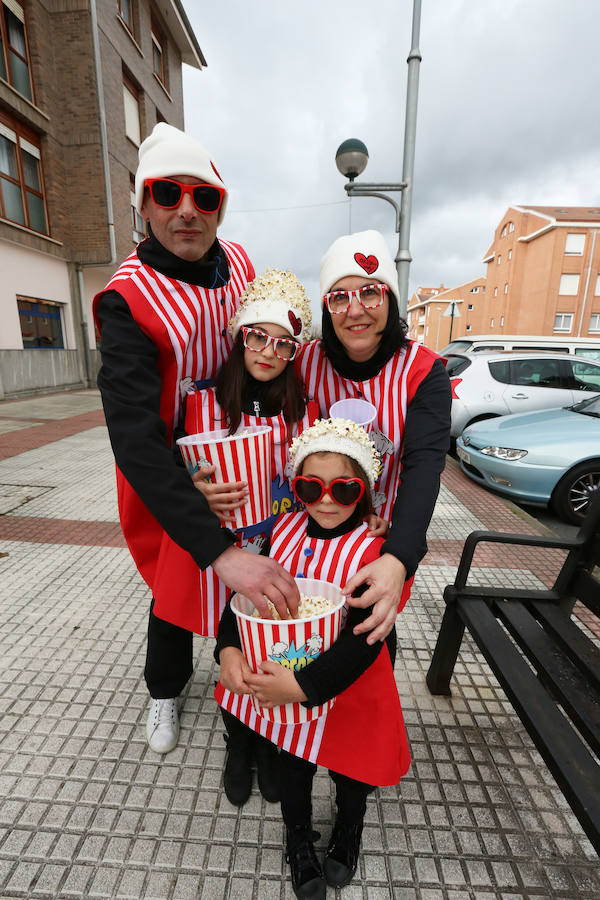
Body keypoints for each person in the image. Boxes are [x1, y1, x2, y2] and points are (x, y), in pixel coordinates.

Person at [92, 123, 300, 756]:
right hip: (181, 475)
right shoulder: (126, 299)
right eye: (166, 193)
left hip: (250, 454)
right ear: (143, 204)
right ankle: (165, 688)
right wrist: (200, 520)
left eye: (203, 196)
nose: (186, 209)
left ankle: (253, 683)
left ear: (220, 205)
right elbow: (133, 438)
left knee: (259, 566)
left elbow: (279, 339)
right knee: (176, 586)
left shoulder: (239, 262)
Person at [214, 419, 411, 899]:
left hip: (349, 683)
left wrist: (303, 690)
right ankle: (297, 838)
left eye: (344, 489)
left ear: (363, 490)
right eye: (310, 486)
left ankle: (349, 830)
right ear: (295, 486)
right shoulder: (279, 533)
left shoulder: (376, 552)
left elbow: (367, 639)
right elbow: (240, 599)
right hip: (285, 673)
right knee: (294, 769)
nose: (326, 500)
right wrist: (228, 647)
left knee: (351, 770)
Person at [151, 268, 320, 803]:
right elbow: (164, 466)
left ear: (295, 352)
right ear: (238, 336)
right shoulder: (198, 399)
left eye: (283, 343)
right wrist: (193, 492)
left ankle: (256, 739)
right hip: (205, 538)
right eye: (257, 335)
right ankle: (166, 694)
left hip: (275, 542)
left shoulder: (305, 409)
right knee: (171, 609)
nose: (268, 351)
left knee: (256, 639)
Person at [297, 230, 452, 644]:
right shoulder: (304, 362)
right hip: (309, 527)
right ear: (327, 308)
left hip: (376, 535)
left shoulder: (423, 370)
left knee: (367, 636)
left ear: (391, 299)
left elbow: (423, 468)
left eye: (370, 292)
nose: (355, 310)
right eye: (339, 297)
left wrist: (398, 557)